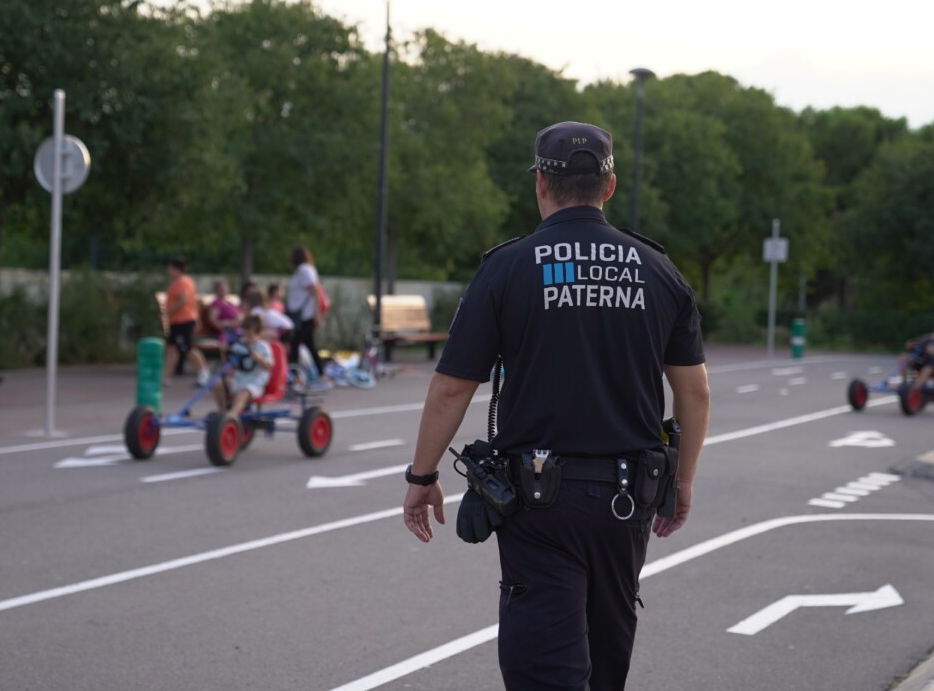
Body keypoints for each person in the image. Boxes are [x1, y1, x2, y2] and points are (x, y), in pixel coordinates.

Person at [401, 122, 711, 691]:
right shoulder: (658, 269)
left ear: (541, 184)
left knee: (543, 667)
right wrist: (683, 479)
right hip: (627, 500)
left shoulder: (507, 267)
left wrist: (423, 476)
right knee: (606, 658)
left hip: (539, 505)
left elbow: (451, 388)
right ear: (609, 187)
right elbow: (695, 393)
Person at [211, 314, 273, 418]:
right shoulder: (239, 344)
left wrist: (261, 359)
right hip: (238, 379)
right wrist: (224, 351)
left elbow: (269, 367)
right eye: (244, 335)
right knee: (217, 384)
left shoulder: (263, 347)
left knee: (243, 393)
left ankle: (232, 416)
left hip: (254, 383)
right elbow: (228, 363)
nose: (246, 339)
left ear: (259, 334)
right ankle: (222, 414)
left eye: (250, 336)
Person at [163, 258, 207, 386]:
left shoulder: (182, 282)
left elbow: (183, 299)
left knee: (187, 349)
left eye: (170, 268)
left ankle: (204, 373)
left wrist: (168, 311)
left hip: (183, 320)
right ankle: (166, 377)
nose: (168, 271)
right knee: (172, 349)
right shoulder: (180, 282)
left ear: (176, 269)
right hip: (176, 321)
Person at [285, 246, 324, 376]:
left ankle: (294, 373)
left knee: (295, 342)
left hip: (305, 314)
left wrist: (317, 313)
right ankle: (320, 372)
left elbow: (315, 291)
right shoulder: (304, 270)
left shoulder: (304, 270)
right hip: (304, 314)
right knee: (308, 343)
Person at [904, 316, 934, 391]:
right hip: (924, 362)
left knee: (927, 369)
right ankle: (904, 383)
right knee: (904, 359)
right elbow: (919, 344)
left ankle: (915, 389)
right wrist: (911, 345)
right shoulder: (928, 338)